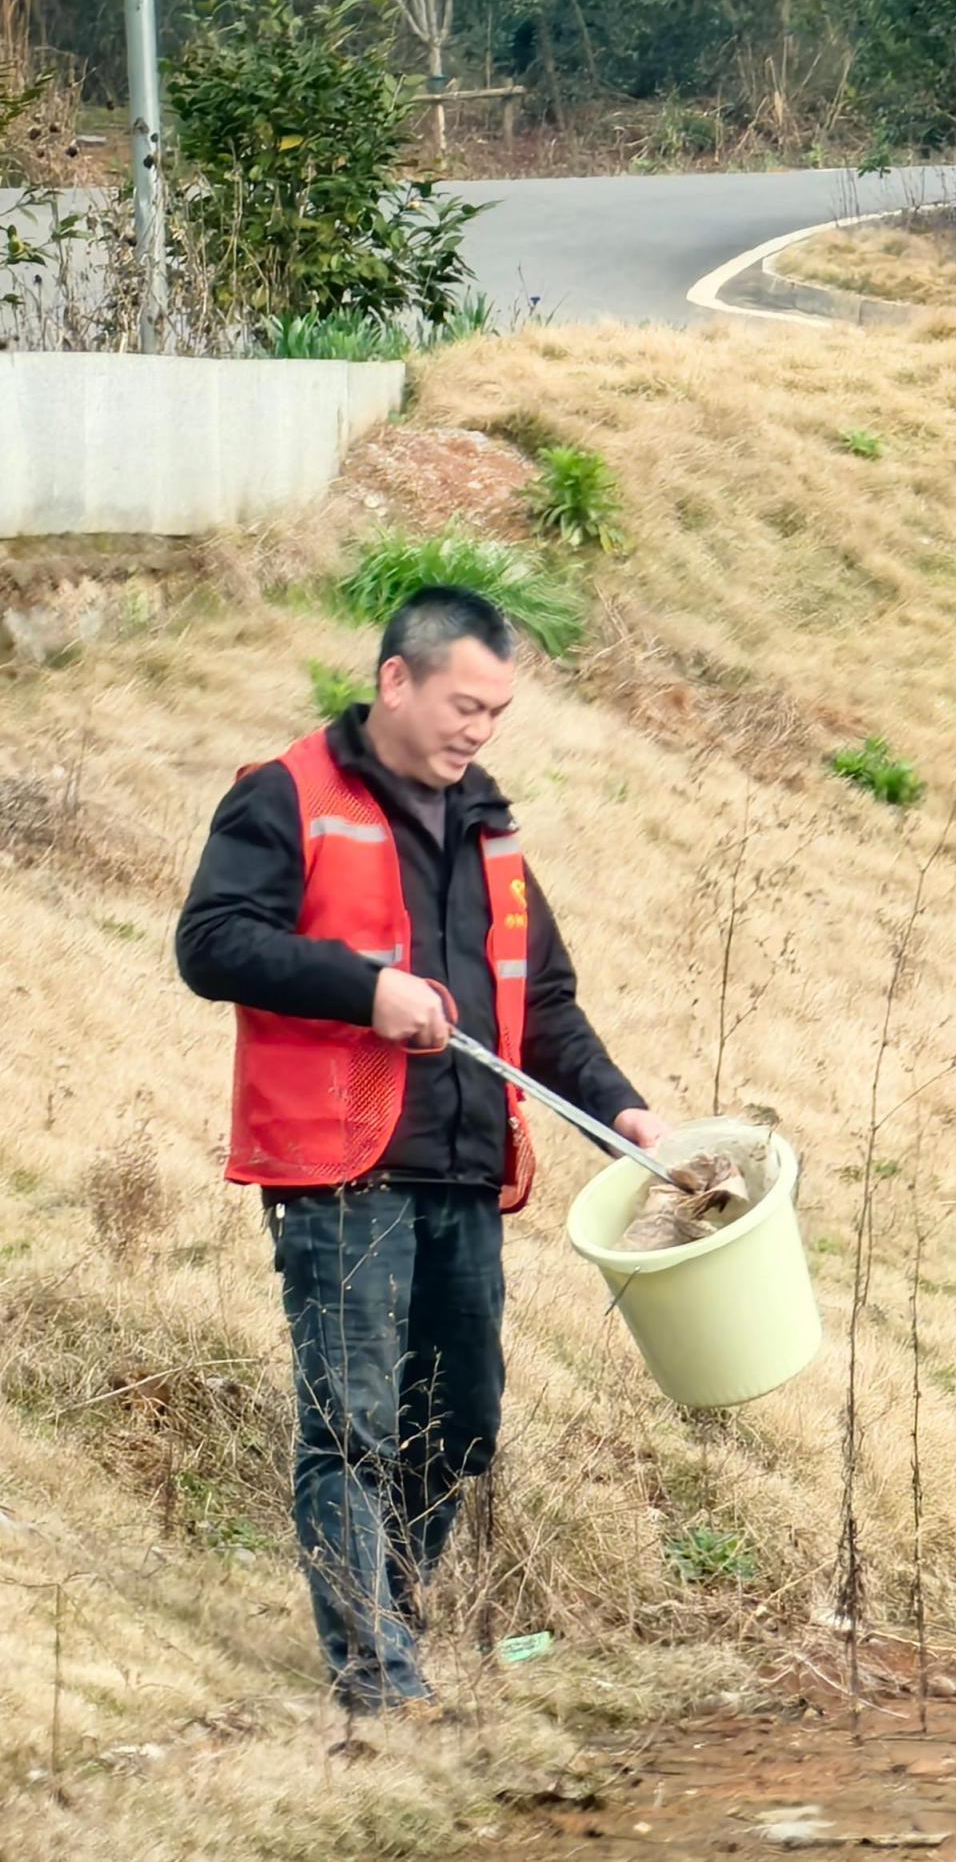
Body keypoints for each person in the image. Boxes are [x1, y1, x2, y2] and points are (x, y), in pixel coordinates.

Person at [176, 584, 669, 1719]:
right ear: (396, 679)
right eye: (464, 704)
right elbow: (211, 944)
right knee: (352, 1429)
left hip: (460, 1169)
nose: (478, 731)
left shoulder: (489, 830)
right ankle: (379, 1681)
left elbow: (539, 1004)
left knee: (461, 1425)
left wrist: (623, 1112)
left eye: (496, 713)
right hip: (339, 1171)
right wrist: (367, 991)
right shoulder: (283, 797)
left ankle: (387, 1621)